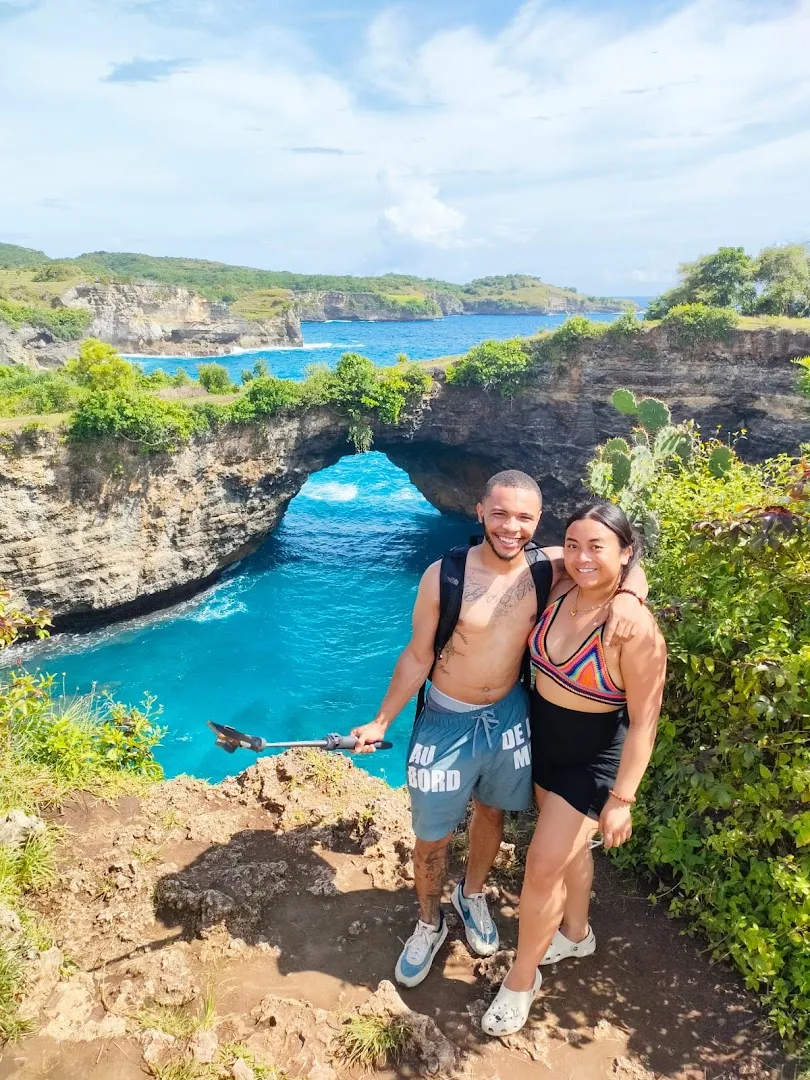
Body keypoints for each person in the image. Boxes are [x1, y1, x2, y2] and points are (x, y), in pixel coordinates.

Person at [351, 473, 650, 989]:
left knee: (491, 814)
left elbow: (612, 561)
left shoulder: (545, 565)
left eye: (524, 517)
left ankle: (472, 895)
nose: (511, 528)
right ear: (480, 512)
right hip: (446, 719)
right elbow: (419, 653)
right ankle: (429, 921)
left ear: (538, 521)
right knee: (431, 836)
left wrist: (629, 596)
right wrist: (381, 720)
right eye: (500, 514)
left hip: (511, 715)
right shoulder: (443, 576)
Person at [480, 501, 667, 1037]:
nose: (583, 557)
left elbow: (644, 723)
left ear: (626, 554)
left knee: (540, 867)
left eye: (599, 547)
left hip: (591, 761)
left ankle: (521, 981)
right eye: (576, 544)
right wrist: (629, 580)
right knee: (565, 855)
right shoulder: (562, 583)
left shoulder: (635, 631)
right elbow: (541, 551)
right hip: (545, 744)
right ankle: (577, 934)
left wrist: (622, 799)